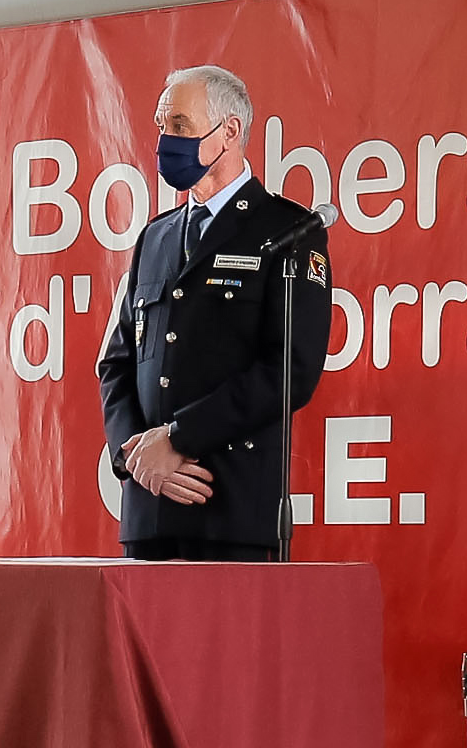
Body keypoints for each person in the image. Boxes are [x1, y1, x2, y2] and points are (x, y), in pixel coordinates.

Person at [98, 64, 331, 558]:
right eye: (162, 126)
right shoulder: (154, 238)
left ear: (229, 132)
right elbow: (116, 364)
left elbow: (292, 368)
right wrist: (136, 457)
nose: (165, 140)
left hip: (230, 507)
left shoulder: (288, 232)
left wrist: (179, 438)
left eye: (180, 125)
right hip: (150, 509)